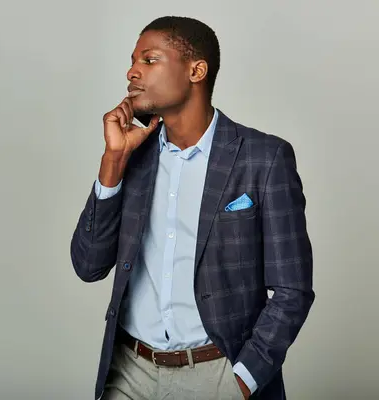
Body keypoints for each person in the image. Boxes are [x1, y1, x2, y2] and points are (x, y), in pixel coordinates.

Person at [70, 16, 314, 400]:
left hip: (218, 372)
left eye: (149, 60)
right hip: (130, 370)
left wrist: (244, 379)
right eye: (133, 60)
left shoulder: (263, 159)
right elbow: (88, 266)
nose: (132, 72)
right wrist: (113, 161)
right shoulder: (134, 157)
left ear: (196, 70)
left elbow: (292, 289)